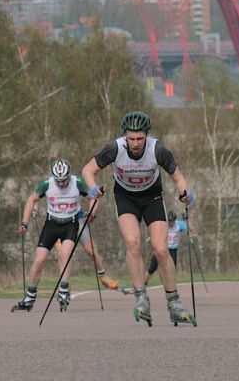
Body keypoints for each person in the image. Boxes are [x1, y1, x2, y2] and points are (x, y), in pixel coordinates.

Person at [82, 110, 195, 325]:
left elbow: (178, 178)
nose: (135, 143)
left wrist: (185, 194)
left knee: (161, 249)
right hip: (125, 198)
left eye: (139, 139)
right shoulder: (114, 148)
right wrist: (93, 188)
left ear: (147, 136)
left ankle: (174, 302)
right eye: (131, 138)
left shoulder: (157, 149)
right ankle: (141, 297)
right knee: (133, 242)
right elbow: (88, 170)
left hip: (152, 198)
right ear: (125, 135)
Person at [12, 158, 91, 313]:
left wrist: (93, 212)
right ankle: (29, 297)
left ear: (69, 175)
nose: (61, 184)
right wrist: (24, 223)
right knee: (39, 259)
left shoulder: (78, 183)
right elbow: (31, 199)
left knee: (65, 254)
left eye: (64, 180)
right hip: (52, 224)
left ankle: (63, 291)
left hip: (71, 223)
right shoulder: (47, 184)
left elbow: (93, 196)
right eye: (58, 181)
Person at [144, 210, 188, 286]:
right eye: (169, 221)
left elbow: (190, 228)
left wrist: (186, 219)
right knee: (152, 267)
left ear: (175, 220)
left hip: (173, 249)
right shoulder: (163, 224)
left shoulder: (178, 225)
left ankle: (169, 285)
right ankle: (144, 283)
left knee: (171, 269)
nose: (170, 223)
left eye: (172, 221)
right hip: (162, 248)